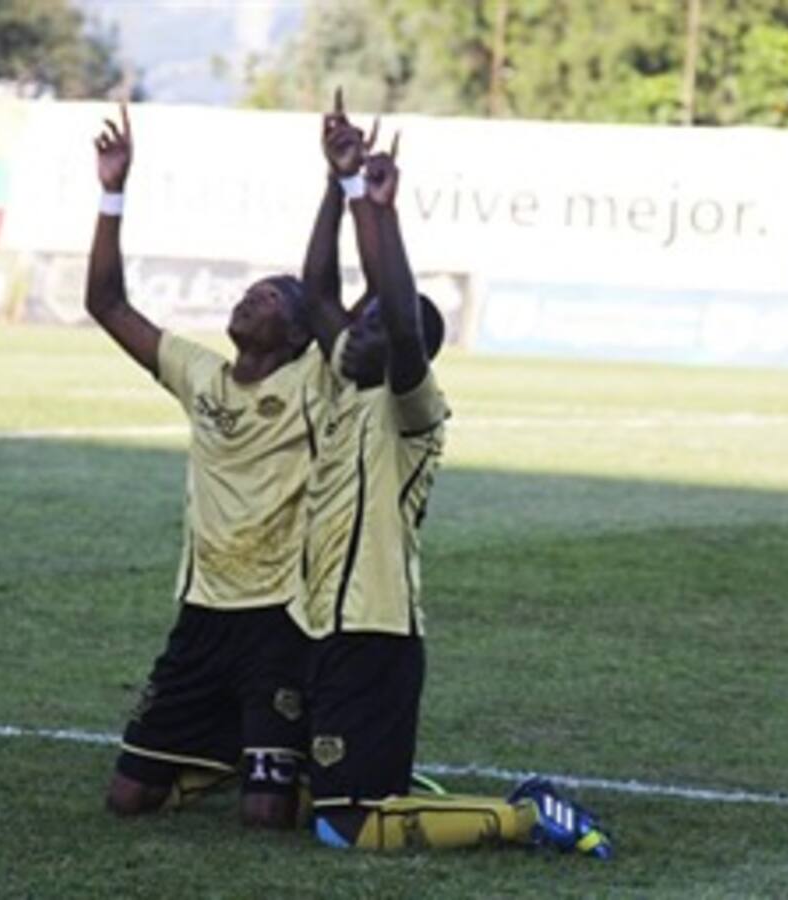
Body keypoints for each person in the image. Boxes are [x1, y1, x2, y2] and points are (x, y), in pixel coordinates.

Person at [289, 92, 614, 858]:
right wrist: (336, 188)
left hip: (373, 629)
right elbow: (314, 299)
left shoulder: (412, 409)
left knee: (347, 829)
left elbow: (401, 319)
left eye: (373, 325)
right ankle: (414, 789)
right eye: (359, 322)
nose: (356, 328)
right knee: (324, 800)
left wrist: (381, 211)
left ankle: (526, 816)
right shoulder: (347, 381)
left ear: (411, 353)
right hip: (324, 623)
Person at [85, 104, 326, 829]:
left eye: (270, 298)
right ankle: (226, 738)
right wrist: (112, 194)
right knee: (127, 802)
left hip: (281, 618)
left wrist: (337, 187)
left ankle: (260, 744)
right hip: (201, 614)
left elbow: (325, 290)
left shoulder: (312, 383)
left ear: (297, 334)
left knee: (265, 817)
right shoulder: (201, 375)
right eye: (250, 291)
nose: (249, 298)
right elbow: (105, 303)